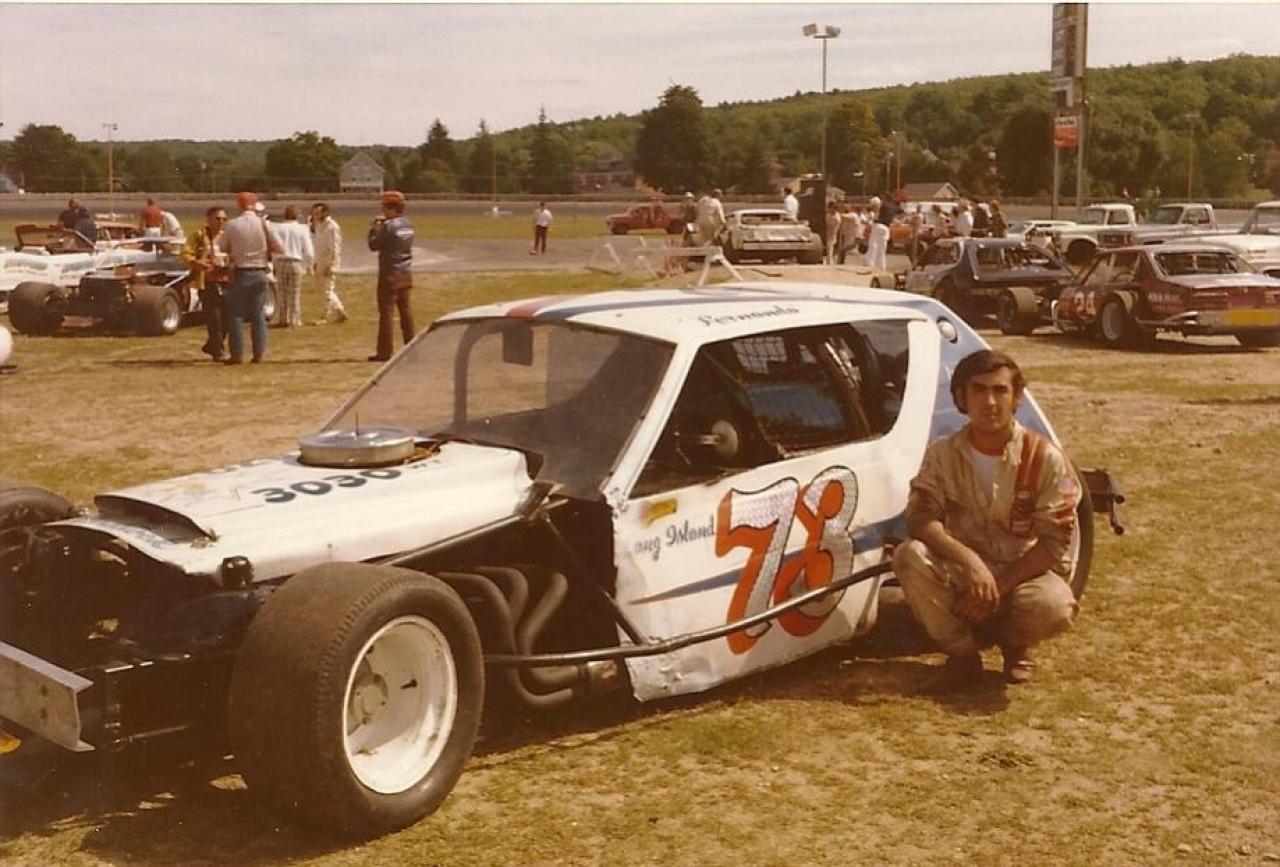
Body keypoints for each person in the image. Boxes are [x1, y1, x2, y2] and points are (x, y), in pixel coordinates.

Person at [892, 350, 1081, 693]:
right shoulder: (942, 454)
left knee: (1053, 606)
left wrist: (999, 586)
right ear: (961, 398)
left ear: (1017, 398)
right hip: (964, 569)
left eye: (1000, 390)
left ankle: (1015, 646)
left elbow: (1054, 542)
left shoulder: (1045, 458)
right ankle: (962, 656)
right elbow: (920, 518)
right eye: (978, 390)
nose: (990, 402)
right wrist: (971, 563)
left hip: (1022, 571)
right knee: (909, 556)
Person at [221, 191, 279, 364]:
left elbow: (222, 247)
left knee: (236, 314)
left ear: (239, 205)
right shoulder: (264, 224)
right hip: (260, 271)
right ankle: (258, 353)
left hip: (241, 271)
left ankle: (237, 354)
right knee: (258, 315)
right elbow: (278, 247)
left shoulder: (232, 225)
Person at [367, 189, 416, 362]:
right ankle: (412, 346)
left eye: (385, 207)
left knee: (386, 314)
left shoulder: (388, 226)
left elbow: (373, 245)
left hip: (389, 274)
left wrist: (374, 229)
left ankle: (385, 352)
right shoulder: (408, 224)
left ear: (391, 207)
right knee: (406, 312)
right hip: (405, 272)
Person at [181, 206, 231, 361]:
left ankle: (212, 345)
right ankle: (218, 352)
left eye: (224, 219)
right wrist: (196, 262)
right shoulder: (199, 235)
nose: (221, 222)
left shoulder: (228, 235)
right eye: (217, 218)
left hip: (227, 280)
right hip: (207, 282)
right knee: (214, 318)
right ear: (208, 219)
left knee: (228, 318)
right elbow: (185, 253)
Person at [270, 205, 314, 328]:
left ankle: (283, 318)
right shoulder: (302, 229)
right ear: (298, 216)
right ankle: (294, 319)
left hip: (280, 261)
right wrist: (309, 264)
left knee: (282, 292)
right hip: (295, 261)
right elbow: (309, 251)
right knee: (295, 293)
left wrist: (274, 263)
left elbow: (274, 247)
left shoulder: (277, 228)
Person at [309, 202, 347, 324]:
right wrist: (315, 261)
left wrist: (331, 265)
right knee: (322, 289)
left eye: (317, 213)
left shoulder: (332, 227)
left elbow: (335, 247)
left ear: (325, 213)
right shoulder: (318, 225)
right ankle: (339, 311)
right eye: (314, 213)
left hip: (328, 260)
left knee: (327, 289)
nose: (315, 215)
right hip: (320, 259)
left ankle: (324, 316)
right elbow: (316, 244)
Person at [865, 196, 890, 271]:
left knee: (873, 245)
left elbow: (873, 221)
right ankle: (881, 266)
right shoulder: (886, 209)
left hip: (878, 226)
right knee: (882, 248)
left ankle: (870, 264)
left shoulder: (876, 211)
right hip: (886, 228)